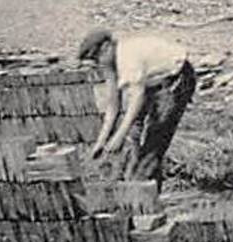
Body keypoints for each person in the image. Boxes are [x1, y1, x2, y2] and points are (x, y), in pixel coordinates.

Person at [78, 28, 196, 188]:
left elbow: (137, 98)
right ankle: (131, 177)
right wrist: (101, 141)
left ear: (106, 47)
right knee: (133, 133)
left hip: (176, 79)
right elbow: (113, 105)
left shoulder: (127, 57)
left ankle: (145, 188)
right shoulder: (110, 62)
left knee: (155, 136)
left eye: (96, 58)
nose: (98, 63)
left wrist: (118, 136)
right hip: (152, 81)